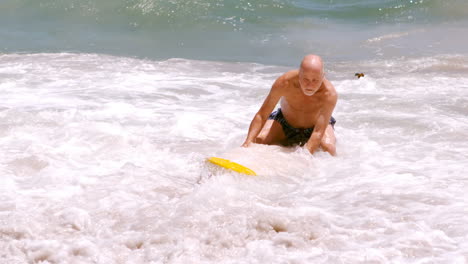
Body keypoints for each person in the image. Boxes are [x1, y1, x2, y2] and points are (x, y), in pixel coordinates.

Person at [241, 54, 338, 156]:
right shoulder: (284, 83)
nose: (310, 85)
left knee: (329, 149)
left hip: (315, 126)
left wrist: (304, 158)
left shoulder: (329, 94)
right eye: (306, 79)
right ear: (299, 74)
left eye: (315, 80)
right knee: (258, 141)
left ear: (323, 76)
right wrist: (247, 143)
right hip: (284, 123)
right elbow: (262, 115)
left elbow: (318, 132)